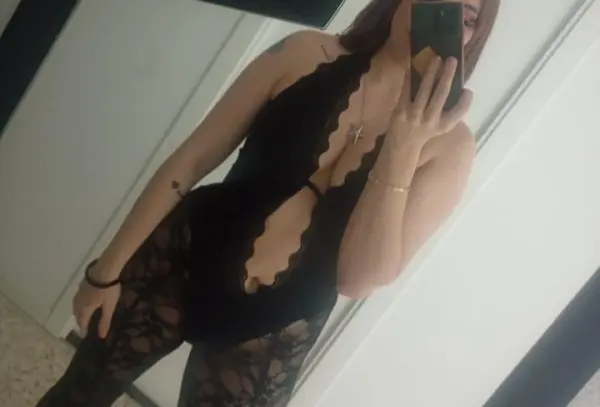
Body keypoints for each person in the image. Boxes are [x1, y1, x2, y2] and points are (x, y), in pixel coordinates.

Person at [37, 0, 500, 405]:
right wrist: (105, 272)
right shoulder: (304, 53)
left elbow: (357, 280)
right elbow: (192, 158)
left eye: (465, 16)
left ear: (474, 36)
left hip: (276, 326)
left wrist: (405, 142)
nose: (444, 15)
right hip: (183, 255)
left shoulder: (450, 149)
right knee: (76, 396)